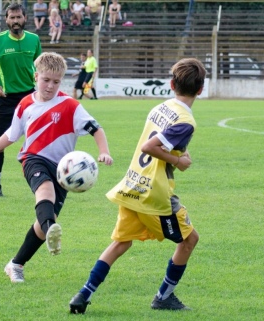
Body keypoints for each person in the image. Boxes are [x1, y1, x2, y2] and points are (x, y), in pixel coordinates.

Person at [69, 58, 206, 314]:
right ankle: (163, 297)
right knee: (189, 240)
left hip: (132, 183)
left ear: (171, 84)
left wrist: (174, 158)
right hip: (154, 194)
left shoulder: (160, 107)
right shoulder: (186, 120)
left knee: (121, 243)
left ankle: (83, 295)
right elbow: (150, 147)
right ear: (200, 89)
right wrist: (179, 160)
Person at [0, 52, 113, 283]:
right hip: (33, 159)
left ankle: (16, 263)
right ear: (35, 77)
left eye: (56, 82)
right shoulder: (25, 104)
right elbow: (11, 134)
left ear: (62, 81)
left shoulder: (70, 105)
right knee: (44, 191)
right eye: (46, 80)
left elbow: (96, 129)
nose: (50, 86)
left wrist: (104, 151)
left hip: (63, 170)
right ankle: (51, 229)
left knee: (42, 221)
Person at [0, 3, 42, 198]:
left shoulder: (34, 39)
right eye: (12, 18)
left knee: (40, 139)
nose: (15, 21)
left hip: (31, 97)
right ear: (6, 20)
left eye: (19, 17)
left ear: (25, 18)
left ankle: (43, 184)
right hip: (5, 98)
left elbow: (40, 66)